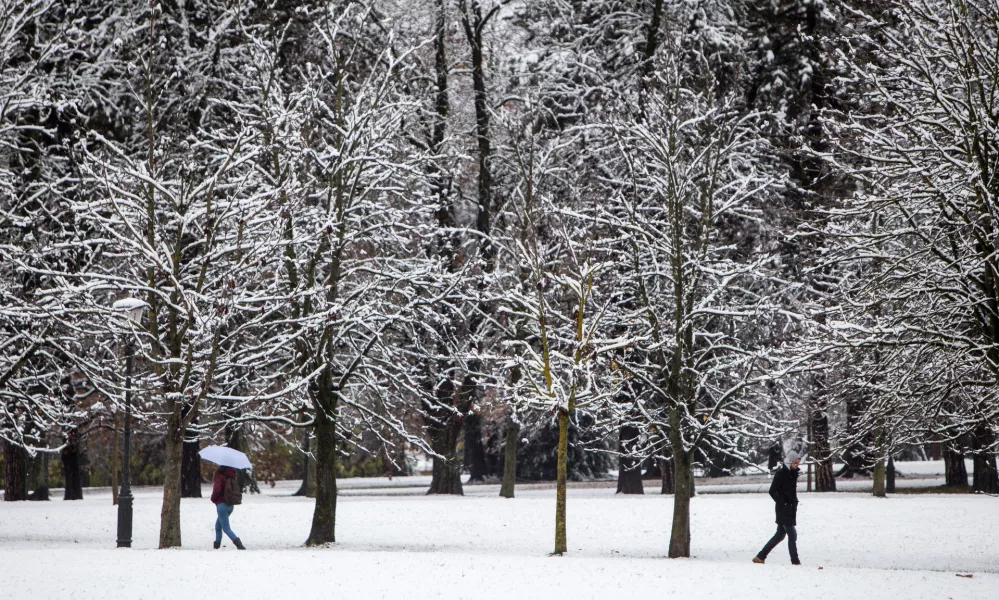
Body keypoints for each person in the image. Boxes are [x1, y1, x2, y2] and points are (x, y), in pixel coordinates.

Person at [753, 450, 801, 565]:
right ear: (789, 462)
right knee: (792, 534)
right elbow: (772, 491)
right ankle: (795, 561)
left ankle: (760, 556)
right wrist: (783, 503)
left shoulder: (792, 473)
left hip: (790, 508)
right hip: (784, 509)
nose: (797, 465)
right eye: (795, 463)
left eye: (798, 463)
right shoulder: (781, 474)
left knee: (780, 535)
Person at [211, 466, 246, 550]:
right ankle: (216, 545)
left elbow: (217, 490)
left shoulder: (220, 476)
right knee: (218, 526)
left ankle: (239, 545)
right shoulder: (232, 476)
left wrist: (213, 498)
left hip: (222, 505)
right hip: (230, 505)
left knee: (226, 528)